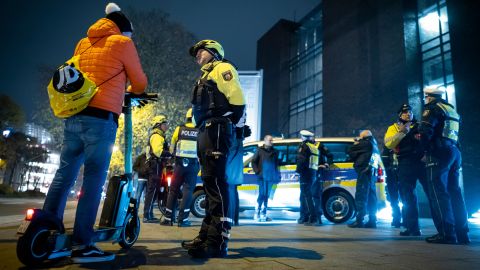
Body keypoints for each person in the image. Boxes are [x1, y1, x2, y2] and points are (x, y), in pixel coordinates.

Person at [42, 2, 147, 263]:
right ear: (125, 30)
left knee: (63, 175)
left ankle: (48, 234)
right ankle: (83, 244)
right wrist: (131, 91)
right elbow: (140, 82)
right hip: (101, 118)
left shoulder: (83, 43)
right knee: (93, 180)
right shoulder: (122, 44)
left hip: (74, 114)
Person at [181, 39, 246, 258]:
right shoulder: (206, 74)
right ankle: (206, 237)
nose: (197, 55)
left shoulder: (222, 68)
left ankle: (218, 242)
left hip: (217, 128)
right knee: (210, 183)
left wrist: (230, 123)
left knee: (217, 184)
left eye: (200, 51)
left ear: (213, 52)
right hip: (207, 130)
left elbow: (237, 99)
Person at [418, 85, 469, 245]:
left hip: (439, 153)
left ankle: (447, 234)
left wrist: (424, 152)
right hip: (454, 151)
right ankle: (462, 233)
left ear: (429, 96)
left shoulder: (432, 109)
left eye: (426, 97)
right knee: (455, 193)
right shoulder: (451, 109)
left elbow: (426, 132)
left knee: (438, 192)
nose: (425, 99)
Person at [384, 104, 429, 236]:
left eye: (409, 112)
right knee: (408, 197)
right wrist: (402, 132)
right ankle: (413, 228)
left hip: (421, 162)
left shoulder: (420, 125)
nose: (408, 114)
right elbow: (389, 144)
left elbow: (428, 139)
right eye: (405, 112)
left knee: (432, 193)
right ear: (400, 115)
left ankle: (444, 229)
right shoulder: (393, 128)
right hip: (405, 163)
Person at [160, 108, 200, 227]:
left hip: (179, 165)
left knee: (173, 190)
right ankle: (183, 219)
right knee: (188, 191)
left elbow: (172, 147)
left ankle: (168, 218)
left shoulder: (179, 129)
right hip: (192, 165)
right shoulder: (199, 130)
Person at [347, 130, 380, 228]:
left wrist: (357, 142)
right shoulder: (374, 144)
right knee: (371, 197)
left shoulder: (364, 143)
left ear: (363, 137)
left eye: (360, 137)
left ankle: (359, 220)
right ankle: (372, 220)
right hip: (371, 172)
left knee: (361, 196)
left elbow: (349, 150)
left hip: (364, 172)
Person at [144, 115, 170, 223]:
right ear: (158, 125)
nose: (166, 126)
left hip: (157, 166)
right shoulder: (157, 136)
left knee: (154, 190)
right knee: (152, 190)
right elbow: (158, 152)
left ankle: (149, 214)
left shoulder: (160, 136)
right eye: (164, 124)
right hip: (155, 166)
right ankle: (146, 215)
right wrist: (170, 153)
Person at [252, 135, 280, 222]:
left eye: (272, 140)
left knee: (267, 196)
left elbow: (277, 164)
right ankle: (257, 213)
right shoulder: (260, 150)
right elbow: (254, 162)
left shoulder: (275, 152)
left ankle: (264, 214)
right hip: (262, 177)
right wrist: (257, 172)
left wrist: (277, 175)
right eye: (270, 140)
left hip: (271, 177)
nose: (271, 142)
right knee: (262, 195)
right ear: (265, 141)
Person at [296, 130, 321, 226]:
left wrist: (298, 172)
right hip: (312, 174)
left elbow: (301, 160)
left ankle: (313, 218)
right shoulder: (313, 146)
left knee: (307, 197)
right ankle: (311, 218)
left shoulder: (304, 146)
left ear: (303, 137)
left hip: (305, 174)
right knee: (308, 196)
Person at [380, 146, 403, 228]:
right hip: (395, 174)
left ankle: (398, 220)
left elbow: (384, 160)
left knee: (397, 199)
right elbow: (384, 160)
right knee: (397, 199)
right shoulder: (388, 146)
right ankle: (398, 219)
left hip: (396, 174)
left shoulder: (388, 146)